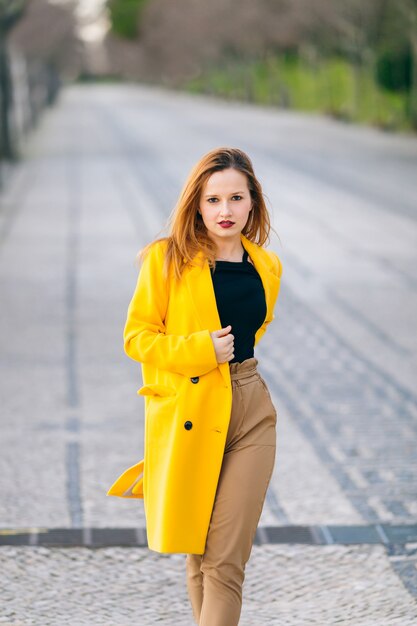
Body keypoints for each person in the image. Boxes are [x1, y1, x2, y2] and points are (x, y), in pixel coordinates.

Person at [107, 146, 283, 626]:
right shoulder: (166, 260)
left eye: (235, 199)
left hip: (250, 413)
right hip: (192, 411)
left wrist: (228, 362)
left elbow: (254, 330)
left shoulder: (267, 267)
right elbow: (137, 337)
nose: (224, 211)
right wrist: (200, 351)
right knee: (198, 552)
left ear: (252, 204)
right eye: (212, 200)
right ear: (197, 204)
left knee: (225, 560)